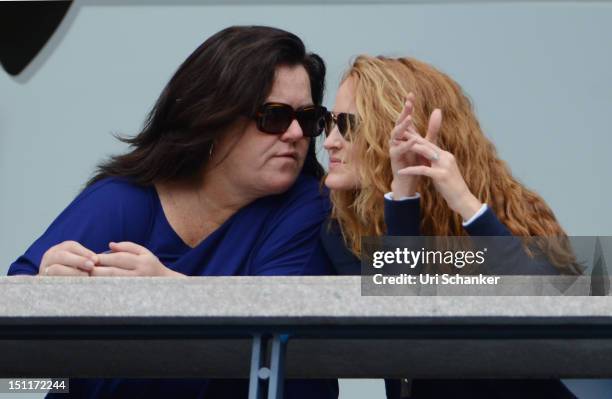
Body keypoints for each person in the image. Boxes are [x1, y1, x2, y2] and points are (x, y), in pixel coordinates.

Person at [8, 26, 338, 399]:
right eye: (274, 117)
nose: (299, 134)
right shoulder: (124, 198)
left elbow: (276, 329)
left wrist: (170, 295)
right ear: (214, 118)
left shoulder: (313, 205)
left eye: (311, 119)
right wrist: (47, 286)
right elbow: (20, 340)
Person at [321, 55, 579, 398]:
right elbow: (400, 333)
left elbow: (557, 308)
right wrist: (403, 199)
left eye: (348, 125)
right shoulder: (344, 230)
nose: (329, 141)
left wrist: (466, 204)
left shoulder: (513, 209)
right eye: (329, 122)